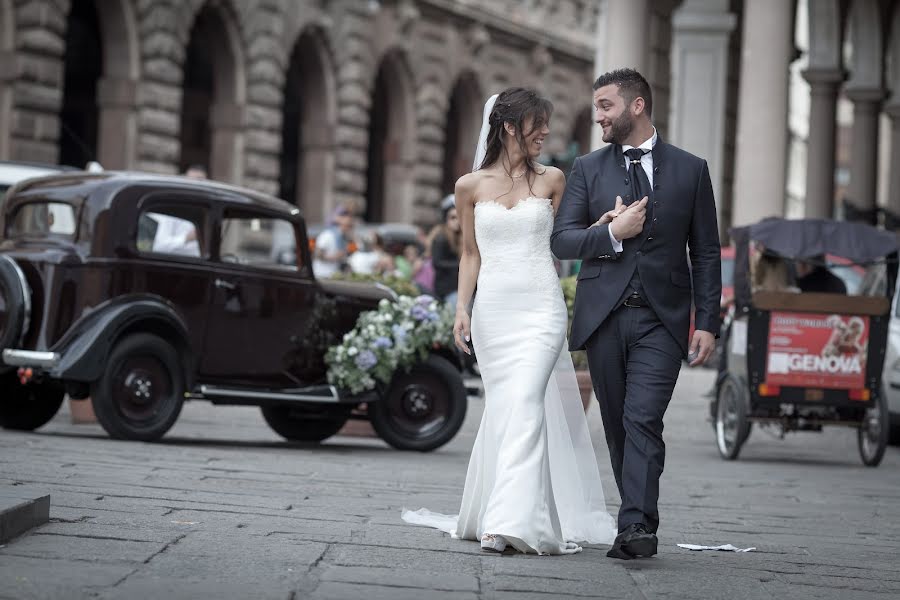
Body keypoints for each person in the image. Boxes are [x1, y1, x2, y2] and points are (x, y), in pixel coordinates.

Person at [401, 88, 617, 555]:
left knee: (524, 403)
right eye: (537, 124)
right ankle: (491, 511)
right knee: (505, 409)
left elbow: (567, 238)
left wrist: (604, 226)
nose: (545, 132)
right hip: (494, 312)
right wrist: (462, 308)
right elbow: (469, 254)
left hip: (541, 308)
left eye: (546, 123)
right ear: (507, 127)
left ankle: (509, 523)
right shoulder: (469, 186)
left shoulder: (555, 179)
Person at [551, 68, 721, 560]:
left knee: (644, 419)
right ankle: (634, 512)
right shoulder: (587, 168)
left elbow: (706, 252)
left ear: (636, 106)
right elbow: (562, 239)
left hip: (662, 320)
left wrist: (707, 320)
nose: (598, 116)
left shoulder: (692, 170)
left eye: (605, 106)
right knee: (618, 424)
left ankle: (637, 525)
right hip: (604, 316)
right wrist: (611, 232)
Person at [430, 195, 462, 306]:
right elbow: (437, 263)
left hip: (460, 288)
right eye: (452, 217)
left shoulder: (461, 237)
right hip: (447, 290)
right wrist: (460, 265)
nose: (457, 221)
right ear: (445, 219)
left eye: (459, 217)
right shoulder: (441, 237)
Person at [312, 205, 355, 278]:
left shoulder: (344, 238)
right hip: (322, 275)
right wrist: (333, 257)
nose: (350, 228)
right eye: (348, 225)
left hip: (334, 275)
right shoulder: (327, 235)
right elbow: (317, 254)